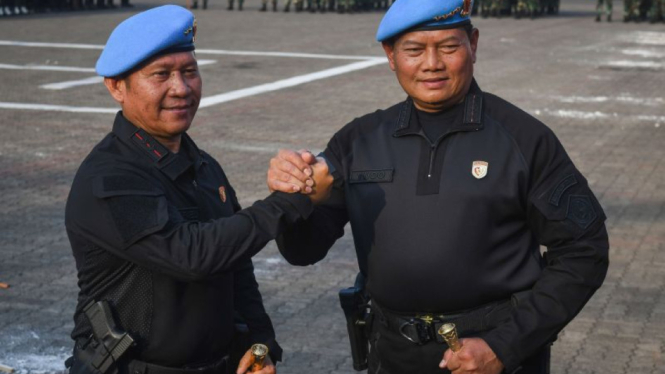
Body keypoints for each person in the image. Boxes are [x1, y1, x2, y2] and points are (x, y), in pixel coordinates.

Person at [266, 0, 610, 373]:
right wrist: (297, 198)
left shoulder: (525, 140)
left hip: (494, 357)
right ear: (390, 55)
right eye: (414, 50)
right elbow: (303, 251)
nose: (432, 64)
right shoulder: (357, 141)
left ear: (473, 44)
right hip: (392, 355)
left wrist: (506, 346)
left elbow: (583, 251)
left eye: (448, 47)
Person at [65, 5, 318, 374]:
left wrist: (259, 343)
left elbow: (237, 267)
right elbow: (190, 256)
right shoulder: (109, 178)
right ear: (117, 86)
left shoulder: (203, 164)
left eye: (189, 72)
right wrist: (287, 202)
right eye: (161, 75)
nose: (180, 88)